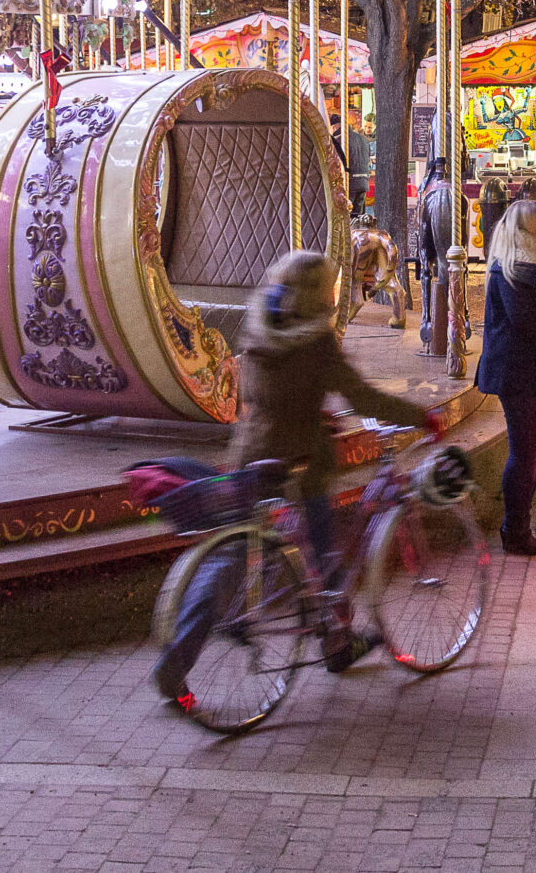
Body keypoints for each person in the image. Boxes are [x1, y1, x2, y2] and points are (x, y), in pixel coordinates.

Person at [154, 249, 438, 706]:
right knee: (326, 555)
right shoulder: (317, 340)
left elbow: (253, 391)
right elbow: (361, 398)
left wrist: (298, 409)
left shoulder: (258, 325)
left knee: (230, 553)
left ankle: (179, 655)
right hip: (301, 467)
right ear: (317, 294)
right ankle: (337, 643)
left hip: (252, 455)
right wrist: (420, 417)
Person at [475, 199, 536, 555]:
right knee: (526, 450)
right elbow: (526, 320)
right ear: (521, 227)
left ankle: (517, 522)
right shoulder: (512, 267)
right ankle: (515, 529)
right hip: (519, 372)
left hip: (535, 370)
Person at [408, 150, 464, 357]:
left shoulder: (435, 125)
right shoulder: (444, 125)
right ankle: (462, 316)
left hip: (436, 172)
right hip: (444, 169)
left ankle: (426, 319)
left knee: (425, 255)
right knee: (462, 204)